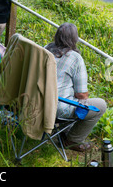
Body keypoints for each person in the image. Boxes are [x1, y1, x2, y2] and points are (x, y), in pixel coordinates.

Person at [45, 23, 107, 152]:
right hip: (56, 108)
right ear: (75, 39)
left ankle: (64, 131)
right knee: (100, 105)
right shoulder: (75, 58)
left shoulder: (45, 49)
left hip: (35, 101)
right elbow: (82, 95)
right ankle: (72, 140)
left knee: (71, 96)